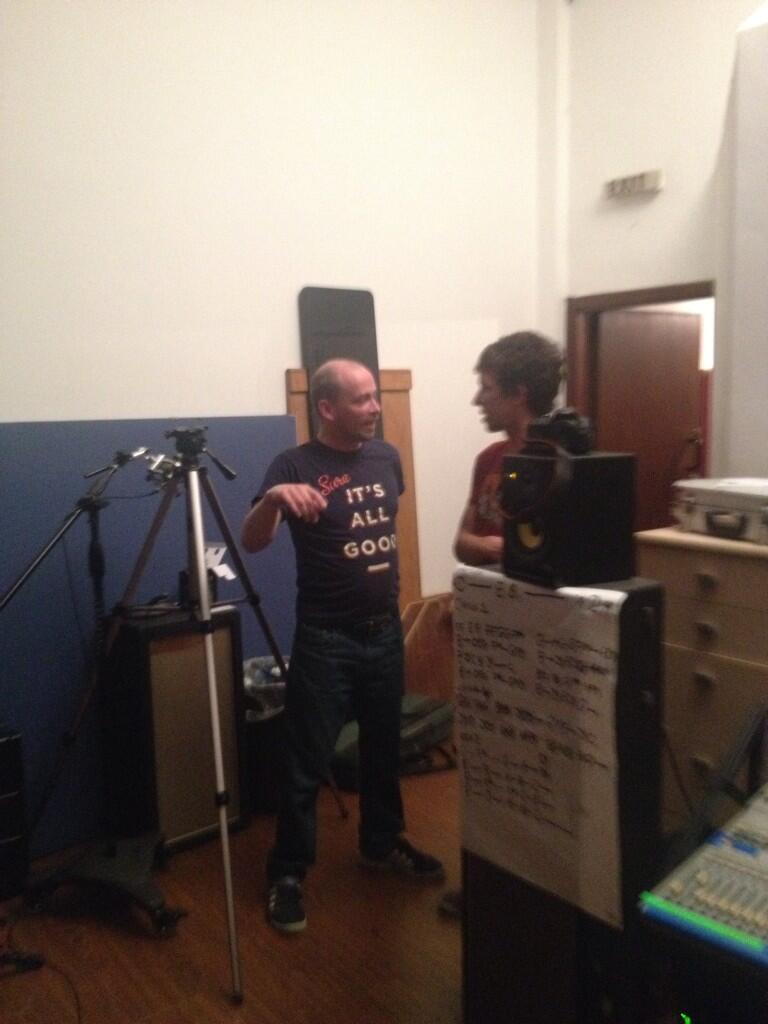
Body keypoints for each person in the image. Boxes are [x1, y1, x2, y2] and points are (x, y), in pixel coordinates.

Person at [241, 358, 444, 934]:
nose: (375, 407)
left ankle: (381, 841)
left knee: (384, 749)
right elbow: (253, 542)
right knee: (306, 761)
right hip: (325, 639)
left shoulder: (386, 458)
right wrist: (273, 499)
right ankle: (287, 872)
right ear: (327, 408)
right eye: (361, 400)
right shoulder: (294, 465)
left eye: (375, 396)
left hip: (383, 632)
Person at [440, 330, 563, 919]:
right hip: (488, 634)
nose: (477, 400)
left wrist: (497, 549)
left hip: (542, 644)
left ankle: (540, 894)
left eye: (486, 388)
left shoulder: (565, 462)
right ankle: (489, 884)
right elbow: (462, 543)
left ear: (519, 393)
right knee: (487, 766)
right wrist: (504, 548)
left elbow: (562, 556)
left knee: (538, 772)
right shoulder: (489, 461)